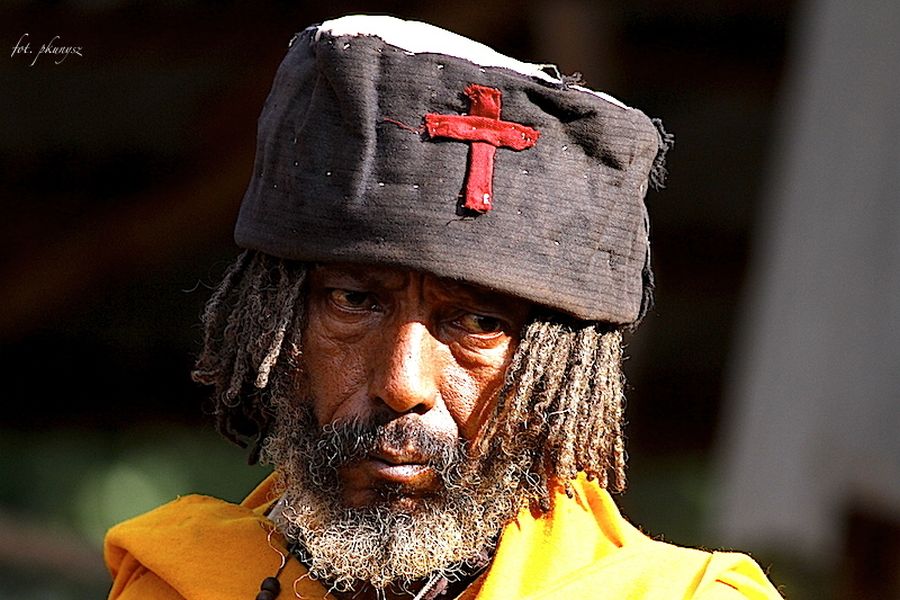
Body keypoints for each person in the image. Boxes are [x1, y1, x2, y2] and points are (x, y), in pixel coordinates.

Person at [104, 14, 781, 600]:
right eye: (354, 301)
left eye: (480, 323)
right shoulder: (178, 584)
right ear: (275, 325)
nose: (403, 385)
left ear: (559, 379)